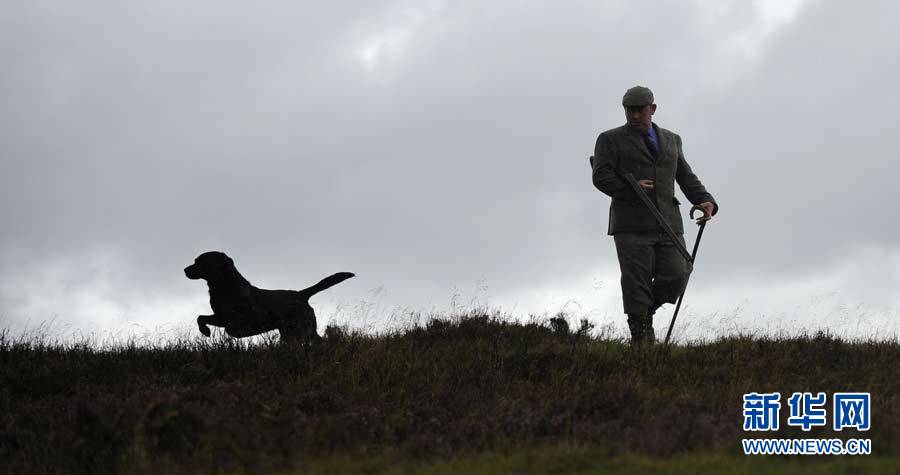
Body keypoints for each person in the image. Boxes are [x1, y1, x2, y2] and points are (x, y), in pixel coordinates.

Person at [590, 86, 718, 345]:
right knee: (636, 281)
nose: (635, 115)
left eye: (640, 110)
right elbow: (600, 176)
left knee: (679, 273)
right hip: (631, 224)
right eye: (630, 110)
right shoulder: (609, 139)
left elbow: (685, 176)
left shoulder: (672, 139)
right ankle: (641, 339)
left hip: (669, 223)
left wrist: (705, 200)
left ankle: (645, 311)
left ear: (653, 109)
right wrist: (631, 188)